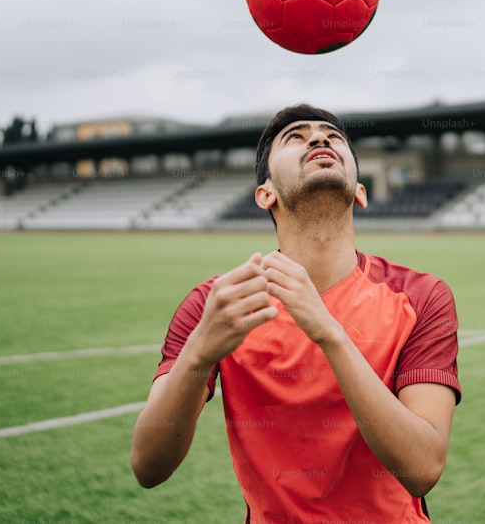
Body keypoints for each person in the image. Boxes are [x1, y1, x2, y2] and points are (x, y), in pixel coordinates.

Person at [131, 104, 461, 522]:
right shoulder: (218, 303)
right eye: (296, 137)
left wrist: (329, 333)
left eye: (333, 136)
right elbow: (148, 466)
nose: (320, 139)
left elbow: (423, 467)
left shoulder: (421, 295)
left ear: (360, 190)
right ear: (264, 194)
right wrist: (199, 352)